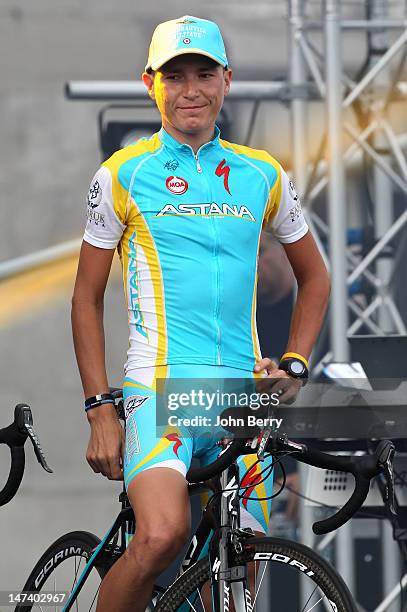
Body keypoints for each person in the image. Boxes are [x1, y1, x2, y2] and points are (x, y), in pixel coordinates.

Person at [71, 15, 330, 612]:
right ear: (150, 84)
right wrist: (99, 410)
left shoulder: (263, 173)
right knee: (163, 535)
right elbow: (86, 297)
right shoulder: (122, 174)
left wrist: (293, 363)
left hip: (243, 399)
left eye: (204, 73)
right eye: (175, 75)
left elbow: (314, 277)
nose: (191, 89)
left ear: (227, 81)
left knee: (242, 568)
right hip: (157, 391)